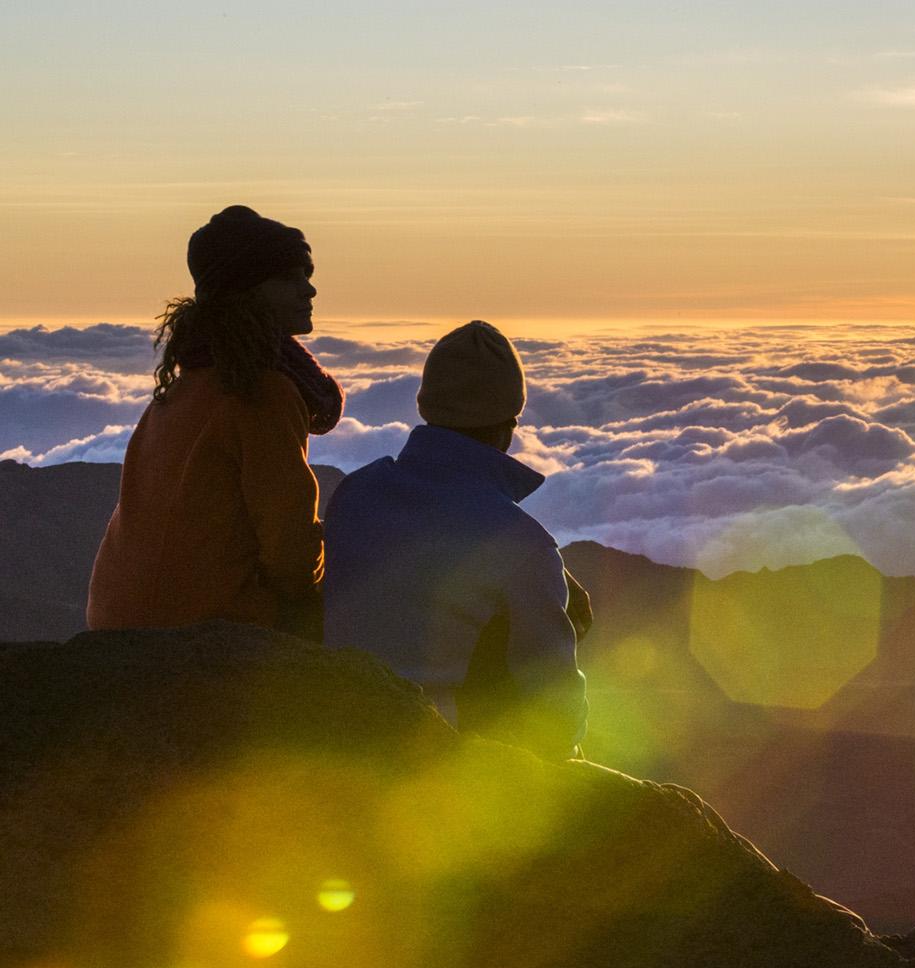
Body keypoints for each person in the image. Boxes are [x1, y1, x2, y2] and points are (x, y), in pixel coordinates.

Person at [322, 320, 590, 759]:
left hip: (335, 730)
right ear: (510, 424)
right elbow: (556, 712)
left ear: (427, 408)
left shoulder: (355, 492)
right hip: (439, 759)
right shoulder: (521, 543)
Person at [86, 205, 340, 636]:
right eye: (290, 277)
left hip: (116, 617)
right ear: (247, 291)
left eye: (307, 275)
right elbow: (290, 548)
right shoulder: (262, 392)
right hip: (200, 624)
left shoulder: (183, 385)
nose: (309, 290)